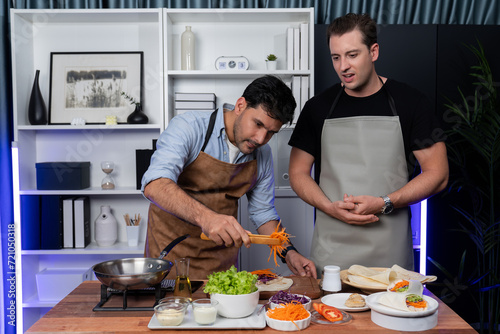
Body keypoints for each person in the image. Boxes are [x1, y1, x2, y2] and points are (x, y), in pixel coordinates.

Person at [288, 13, 449, 274]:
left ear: (373, 51)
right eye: (336, 57)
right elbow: (297, 172)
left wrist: (385, 202)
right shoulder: (318, 108)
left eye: (352, 55)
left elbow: (438, 174)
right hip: (331, 254)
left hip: (390, 253)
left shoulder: (410, 102)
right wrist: (329, 207)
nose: (343, 66)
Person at [142, 75, 317, 279]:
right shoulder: (188, 127)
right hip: (169, 258)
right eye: (258, 124)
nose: (261, 139)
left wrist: (289, 253)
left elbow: (263, 212)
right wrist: (206, 218)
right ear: (240, 105)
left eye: (271, 132)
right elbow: (155, 184)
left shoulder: (263, 154)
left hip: (220, 263)